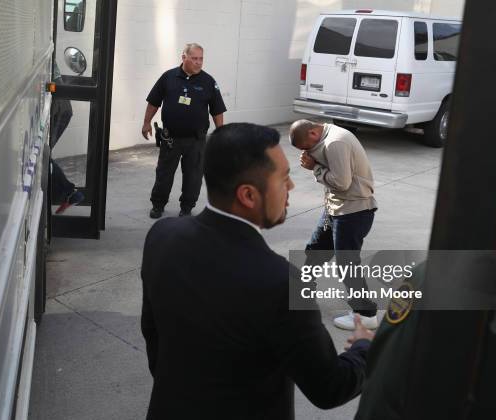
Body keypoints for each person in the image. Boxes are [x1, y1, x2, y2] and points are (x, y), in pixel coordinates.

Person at [141, 123, 374, 420]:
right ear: (248, 195)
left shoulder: (161, 236)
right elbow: (330, 388)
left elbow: (154, 338)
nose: (290, 188)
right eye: (283, 179)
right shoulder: (281, 282)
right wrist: (365, 348)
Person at [289, 119, 378, 330]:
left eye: (306, 147)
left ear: (312, 133)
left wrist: (315, 168)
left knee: (347, 263)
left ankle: (365, 314)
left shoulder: (335, 143)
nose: (307, 153)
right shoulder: (326, 135)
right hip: (335, 209)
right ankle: (304, 294)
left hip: (353, 212)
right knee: (315, 250)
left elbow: (341, 182)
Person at [141, 43, 226, 218]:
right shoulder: (168, 77)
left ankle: (186, 208)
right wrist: (146, 122)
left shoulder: (208, 81)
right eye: (194, 58)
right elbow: (154, 102)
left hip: (196, 140)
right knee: (164, 174)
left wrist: (221, 134)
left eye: (201, 59)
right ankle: (158, 205)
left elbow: (217, 110)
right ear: (184, 57)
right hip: (170, 138)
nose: (198, 62)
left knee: (193, 177)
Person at [50, 63, 84, 214]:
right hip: (59, 107)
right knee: (44, 157)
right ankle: (68, 194)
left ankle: (69, 193)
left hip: (59, 108)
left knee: (43, 158)